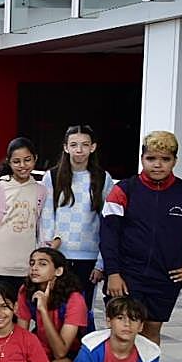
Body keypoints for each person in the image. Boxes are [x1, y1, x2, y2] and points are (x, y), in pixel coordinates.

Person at [101, 130, 182, 343]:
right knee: (124, 332)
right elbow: (108, 235)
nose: (157, 165)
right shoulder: (123, 190)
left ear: (175, 161)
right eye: (151, 158)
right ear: (142, 159)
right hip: (126, 275)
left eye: (165, 159)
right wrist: (113, 272)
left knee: (151, 331)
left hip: (165, 277)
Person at [40, 125, 113, 326]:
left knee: (82, 312)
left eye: (84, 145)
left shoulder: (103, 178)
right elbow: (46, 217)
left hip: (88, 258)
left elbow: (108, 224)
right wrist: (48, 254)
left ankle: (80, 356)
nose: (79, 150)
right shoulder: (52, 177)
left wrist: (101, 262)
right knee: (54, 309)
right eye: (73, 145)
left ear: (93, 147)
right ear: (65, 148)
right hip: (59, 255)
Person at [0, 137, 44, 298]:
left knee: (22, 316)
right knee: (0, 313)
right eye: (17, 161)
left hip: (28, 270)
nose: (22, 166)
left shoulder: (41, 191)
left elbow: (41, 230)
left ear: (35, 159)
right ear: (9, 162)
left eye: (27, 160)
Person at [16, 247, 87, 362]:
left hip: (71, 352)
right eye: (32, 263)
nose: (34, 268)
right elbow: (21, 334)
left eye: (42, 264)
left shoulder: (74, 299)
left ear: (58, 271)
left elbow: (60, 351)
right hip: (40, 346)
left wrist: (43, 310)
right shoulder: (26, 290)